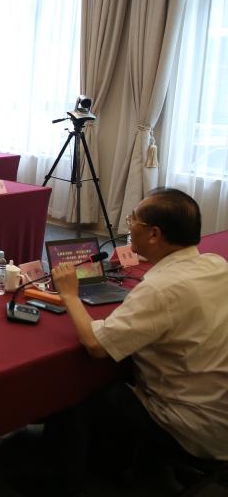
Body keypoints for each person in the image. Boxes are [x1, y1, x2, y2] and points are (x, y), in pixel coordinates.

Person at [45, 188, 228, 492]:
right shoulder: (216, 264)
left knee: (76, 394)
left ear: (154, 234)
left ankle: (69, 482)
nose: (129, 224)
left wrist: (70, 295)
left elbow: (97, 346)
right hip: (220, 411)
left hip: (191, 426)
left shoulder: (160, 288)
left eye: (133, 219)